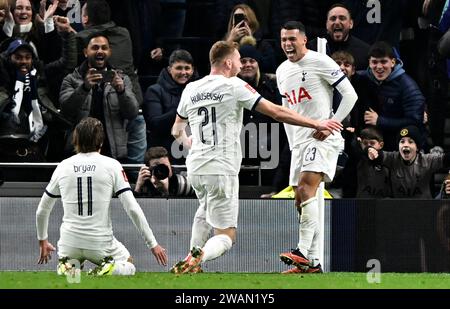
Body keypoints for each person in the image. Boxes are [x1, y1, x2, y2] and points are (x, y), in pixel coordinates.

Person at [169, 40, 343, 274]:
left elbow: (176, 129)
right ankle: (198, 257)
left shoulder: (191, 88)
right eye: (239, 59)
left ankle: (193, 255)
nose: (241, 64)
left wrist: (191, 144)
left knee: (204, 209)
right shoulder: (234, 86)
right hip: (221, 166)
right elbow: (276, 112)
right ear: (229, 62)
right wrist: (316, 122)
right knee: (227, 235)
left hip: (196, 166)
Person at [36, 117, 167, 276]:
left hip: (69, 242)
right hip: (99, 242)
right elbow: (132, 208)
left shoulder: (63, 166)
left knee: (72, 276)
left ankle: (68, 268)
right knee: (128, 263)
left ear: (75, 139)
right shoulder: (112, 165)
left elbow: (42, 210)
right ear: (101, 141)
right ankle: (109, 269)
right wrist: (153, 244)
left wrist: (43, 240)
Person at [276, 21, 357, 274]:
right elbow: (286, 111)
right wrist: (292, 144)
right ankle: (312, 263)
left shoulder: (320, 61)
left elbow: (350, 95)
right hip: (299, 141)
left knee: (306, 187)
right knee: (300, 199)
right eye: (284, 40)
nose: (288, 44)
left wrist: (330, 125)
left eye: (292, 39)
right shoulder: (281, 71)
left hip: (322, 137)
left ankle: (300, 251)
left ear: (304, 40)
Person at [59, 33, 139, 162]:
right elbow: (66, 111)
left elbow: (132, 113)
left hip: (112, 151)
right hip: (78, 152)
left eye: (104, 48)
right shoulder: (72, 79)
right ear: (86, 52)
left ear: (110, 51)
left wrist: (121, 91)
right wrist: (84, 88)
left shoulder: (123, 79)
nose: (100, 51)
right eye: (95, 47)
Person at [359, 41, 426, 151]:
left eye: (384, 62)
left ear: (393, 62)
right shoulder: (363, 77)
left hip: (400, 142)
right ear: (369, 63)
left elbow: (415, 121)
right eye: (374, 62)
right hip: (376, 138)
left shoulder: (408, 86)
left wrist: (380, 121)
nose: (379, 67)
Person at [142, 49, 196, 165]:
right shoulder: (154, 91)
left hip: (192, 153)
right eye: (179, 68)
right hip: (164, 155)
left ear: (192, 70)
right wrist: (182, 109)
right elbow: (155, 123)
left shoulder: (198, 91)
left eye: (187, 68)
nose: (183, 72)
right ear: (169, 69)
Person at [368, 125, 450, 199]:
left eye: (410, 142)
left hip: (424, 208)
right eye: (402, 141)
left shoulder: (427, 160)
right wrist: (371, 152)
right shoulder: (392, 158)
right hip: (399, 208)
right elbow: (379, 156)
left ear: (417, 147)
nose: (405, 145)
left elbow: (446, 159)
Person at [308, 3, 370, 70]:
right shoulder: (312, 48)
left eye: (342, 18)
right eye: (333, 19)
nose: (337, 22)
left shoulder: (364, 52)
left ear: (351, 23)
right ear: (326, 24)